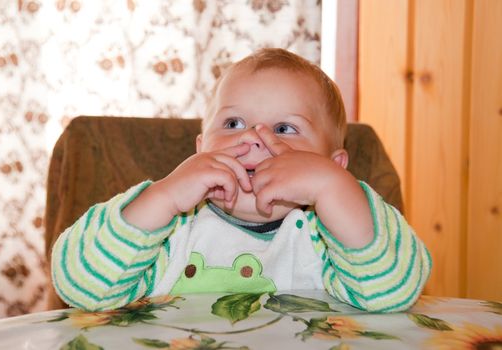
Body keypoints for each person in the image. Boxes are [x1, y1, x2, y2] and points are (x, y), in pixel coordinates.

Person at [51, 48, 431, 312]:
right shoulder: (169, 233)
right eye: (233, 123)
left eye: (285, 128)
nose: (253, 137)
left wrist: (335, 190)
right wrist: (163, 197)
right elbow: (78, 286)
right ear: (201, 149)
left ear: (333, 165)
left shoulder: (328, 241)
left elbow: (393, 293)